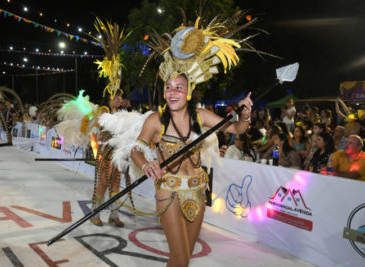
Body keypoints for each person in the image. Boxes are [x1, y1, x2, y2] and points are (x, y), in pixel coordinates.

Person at [130, 16, 255, 266]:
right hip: (168, 190)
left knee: (183, 258)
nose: (172, 92)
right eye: (168, 87)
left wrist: (246, 113)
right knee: (180, 257)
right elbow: (136, 149)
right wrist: (145, 164)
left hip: (198, 190)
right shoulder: (156, 120)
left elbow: (238, 130)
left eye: (178, 88)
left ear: (188, 92)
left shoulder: (202, 116)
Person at [89, 91, 126, 227]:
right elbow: (94, 132)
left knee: (116, 183)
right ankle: (94, 214)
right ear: (111, 96)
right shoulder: (104, 111)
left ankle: (114, 215)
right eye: (118, 96)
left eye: (121, 97)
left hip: (117, 153)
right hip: (105, 153)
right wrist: (96, 152)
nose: (121, 99)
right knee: (103, 183)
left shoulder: (120, 113)